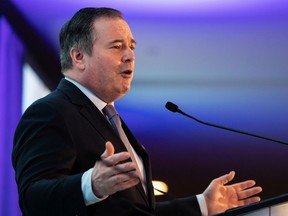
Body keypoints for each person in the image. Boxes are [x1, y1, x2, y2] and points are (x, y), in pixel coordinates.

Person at [12, 7, 262, 216]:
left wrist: (202, 205)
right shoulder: (51, 111)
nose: (130, 56)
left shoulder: (108, 119)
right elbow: (33, 200)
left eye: (131, 46)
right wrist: (91, 185)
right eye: (117, 46)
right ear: (78, 56)